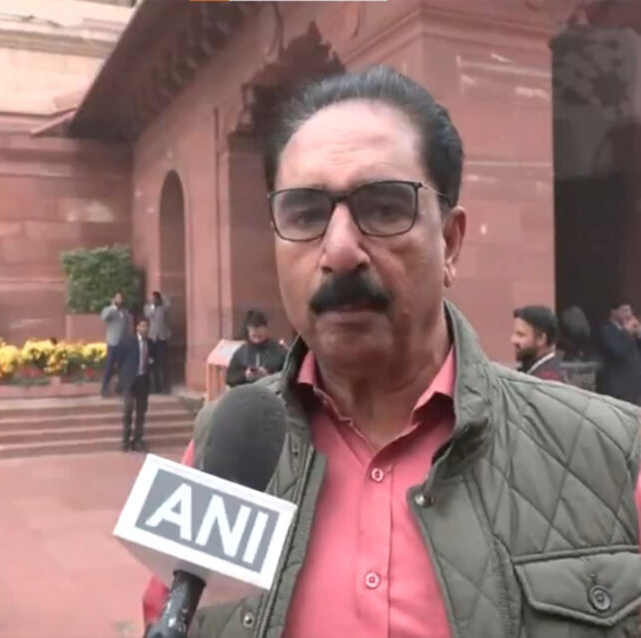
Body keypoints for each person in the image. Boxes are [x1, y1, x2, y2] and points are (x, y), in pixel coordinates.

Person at [142, 67, 641, 637]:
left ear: (450, 242)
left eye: (383, 208)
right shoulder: (224, 448)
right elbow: (168, 614)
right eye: (305, 213)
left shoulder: (615, 456)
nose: (340, 251)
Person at [117, 316, 154, 452]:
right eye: (142, 326)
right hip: (130, 380)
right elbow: (119, 359)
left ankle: (137, 440)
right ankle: (125, 440)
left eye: (146, 326)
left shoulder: (150, 343)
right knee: (128, 408)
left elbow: (153, 359)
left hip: (143, 380)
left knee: (141, 411)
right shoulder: (127, 341)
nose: (145, 329)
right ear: (137, 327)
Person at [224, 310, 287, 387]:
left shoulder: (279, 351)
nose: (257, 340)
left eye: (260, 336)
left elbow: (287, 374)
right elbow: (230, 378)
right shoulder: (241, 353)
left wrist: (268, 375)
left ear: (266, 328)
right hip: (247, 390)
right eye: (254, 336)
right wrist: (245, 375)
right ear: (248, 331)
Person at [597, 301, 641, 404]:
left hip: (635, 387)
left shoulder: (632, 332)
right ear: (614, 312)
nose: (628, 314)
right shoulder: (606, 329)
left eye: (630, 311)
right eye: (624, 311)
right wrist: (626, 332)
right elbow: (618, 351)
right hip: (618, 388)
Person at [510, 305, 566, 381]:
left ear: (541, 339)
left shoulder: (548, 378)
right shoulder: (537, 371)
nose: (513, 340)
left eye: (521, 335)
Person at [100, 291, 133, 397]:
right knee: (110, 366)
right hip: (113, 342)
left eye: (121, 298)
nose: (119, 300)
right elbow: (105, 318)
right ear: (114, 299)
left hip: (123, 343)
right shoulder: (108, 310)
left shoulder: (125, 312)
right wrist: (113, 307)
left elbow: (128, 326)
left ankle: (120, 388)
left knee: (122, 366)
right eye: (117, 298)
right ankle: (104, 387)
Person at [144, 291, 171, 394]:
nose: (154, 300)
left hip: (162, 338)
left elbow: (168, 304)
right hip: (151, 338)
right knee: (152, 363)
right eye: (153, 298)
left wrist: (161, 296)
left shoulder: (163, 308)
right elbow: (148, 314)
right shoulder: (148, 308)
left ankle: (165, 387)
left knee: (163, 363)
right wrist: (152, 305)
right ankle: (154, 387)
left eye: (156, 298)